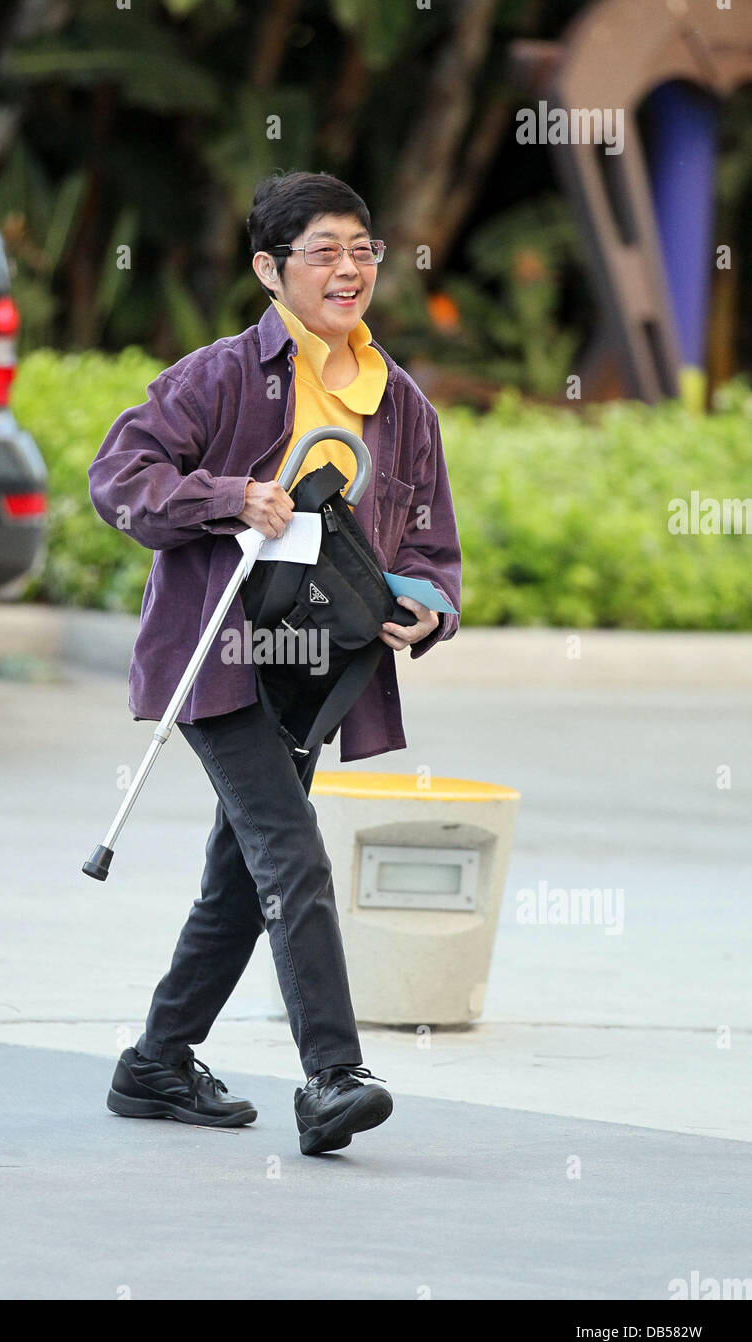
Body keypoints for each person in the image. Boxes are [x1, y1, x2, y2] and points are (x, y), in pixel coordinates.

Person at [87, 171, 462, 1156]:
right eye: (323, 252)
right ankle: (333, 1075)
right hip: (218, 656)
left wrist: (423, 615)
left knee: (239, 879)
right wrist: (227, 495)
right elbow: (118, 480)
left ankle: (156, 1063)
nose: (349, 270)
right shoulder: (218, 376)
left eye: (361, 250)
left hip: (318, 669)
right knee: (288, 852)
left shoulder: (401, 404)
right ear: (269, 269)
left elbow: (428, 555)